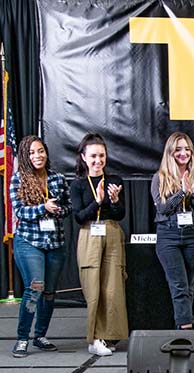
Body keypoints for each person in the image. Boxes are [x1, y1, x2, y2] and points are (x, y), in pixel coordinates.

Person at [10, 136, 72, 358]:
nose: (38, 156)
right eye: (32, 153)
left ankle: (40, 336)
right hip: (29, 242)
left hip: (54, 242)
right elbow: (20, 212)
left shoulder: (58, 179)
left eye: (41, 151)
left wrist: (58, 210)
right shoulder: (18, 180)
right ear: (25, 157)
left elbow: (68, 207)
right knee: (35, 287)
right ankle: (22, 338)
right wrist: (43, 208)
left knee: (48, 292)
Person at [71, 134, 127, 356]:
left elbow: (121, 214)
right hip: (89, 233)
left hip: (112, 232)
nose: (98, 160)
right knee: (93, 288)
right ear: (84, 158)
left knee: (113, 288)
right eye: (93, 156)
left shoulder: (115, 180)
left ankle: (110, 336)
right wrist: (98, 200)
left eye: (101, 155)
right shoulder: (78, 185)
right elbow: (79, 217)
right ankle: (94, 338)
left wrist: (113, 201)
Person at [151, 132, 194, 330]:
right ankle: (186, 329)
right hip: (169, 236)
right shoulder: (160, 178)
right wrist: (182, 192)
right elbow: (163, 209)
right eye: (178, 149)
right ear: (170, 152)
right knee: (179, 287)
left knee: (189, 288)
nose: (183, 153)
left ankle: (182, 330)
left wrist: (193, 193)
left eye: (187, 149)